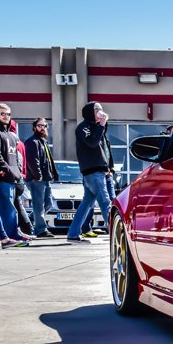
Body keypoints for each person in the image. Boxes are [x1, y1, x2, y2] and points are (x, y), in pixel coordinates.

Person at [67, 102, 114, 243]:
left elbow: (104, 148)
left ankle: (73, 233)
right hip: (93, 171)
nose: (100, 111)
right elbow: (92, 143)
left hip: (98, 171)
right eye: (96, 109)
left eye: (101, 109)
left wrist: (108, 168)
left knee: (87, 203)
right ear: (90, 112)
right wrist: (101, 125)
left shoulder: (97, 127)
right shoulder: (83, 128)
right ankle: (114, 233)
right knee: (105, 202)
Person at [0, 103, 30, 245]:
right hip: (1, 177)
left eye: (8, 114)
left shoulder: (12, 136)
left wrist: (18, 174)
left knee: (0, 210)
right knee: (8, 209)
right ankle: (14, 236)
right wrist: (6, 170)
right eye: (2, 114)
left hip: (13, 177)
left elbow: (17, 158)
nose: (6, 116)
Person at [23, 117, 57, 238]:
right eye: (39, 126)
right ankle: (41, 230)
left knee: (48, 204)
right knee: (39, 206)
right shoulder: (32, 142)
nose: (42, 128)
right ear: (34, 128)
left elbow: (49, 161)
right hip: (36, 179)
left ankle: (29, 219)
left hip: (45, 179)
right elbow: (32, 161)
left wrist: (54, 174)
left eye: (44, 126)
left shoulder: (43, 142)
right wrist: (38, 176)